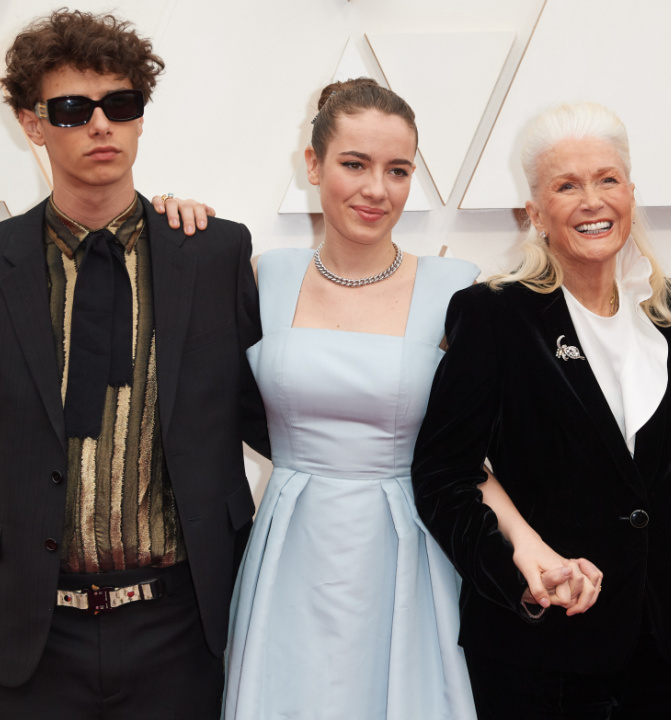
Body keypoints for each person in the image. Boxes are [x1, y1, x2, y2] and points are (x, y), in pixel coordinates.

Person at [0, 10, 269, 720]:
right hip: (33, 631)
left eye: (120, 105)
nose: (100, 126)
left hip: (182, 623)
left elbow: (268, 416)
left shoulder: (213, 255)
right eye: (72, 109)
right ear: (31, 125)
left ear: (140, 118)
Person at [411, 102, 671, 719]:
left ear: (630, 191)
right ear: (535, 212)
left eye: (607, 180)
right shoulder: (494, 314)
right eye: (567, 186)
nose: (592, 200)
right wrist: (521, 572)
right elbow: (442, 477)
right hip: (543, 646)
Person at [219, 78, 479, 720]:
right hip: (289, 546)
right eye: (354, 164)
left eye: (397, 170)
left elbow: (482, 445)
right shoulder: (264, 275)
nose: (376, 190)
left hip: (406, 547)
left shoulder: (458, 290)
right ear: (312, 165)